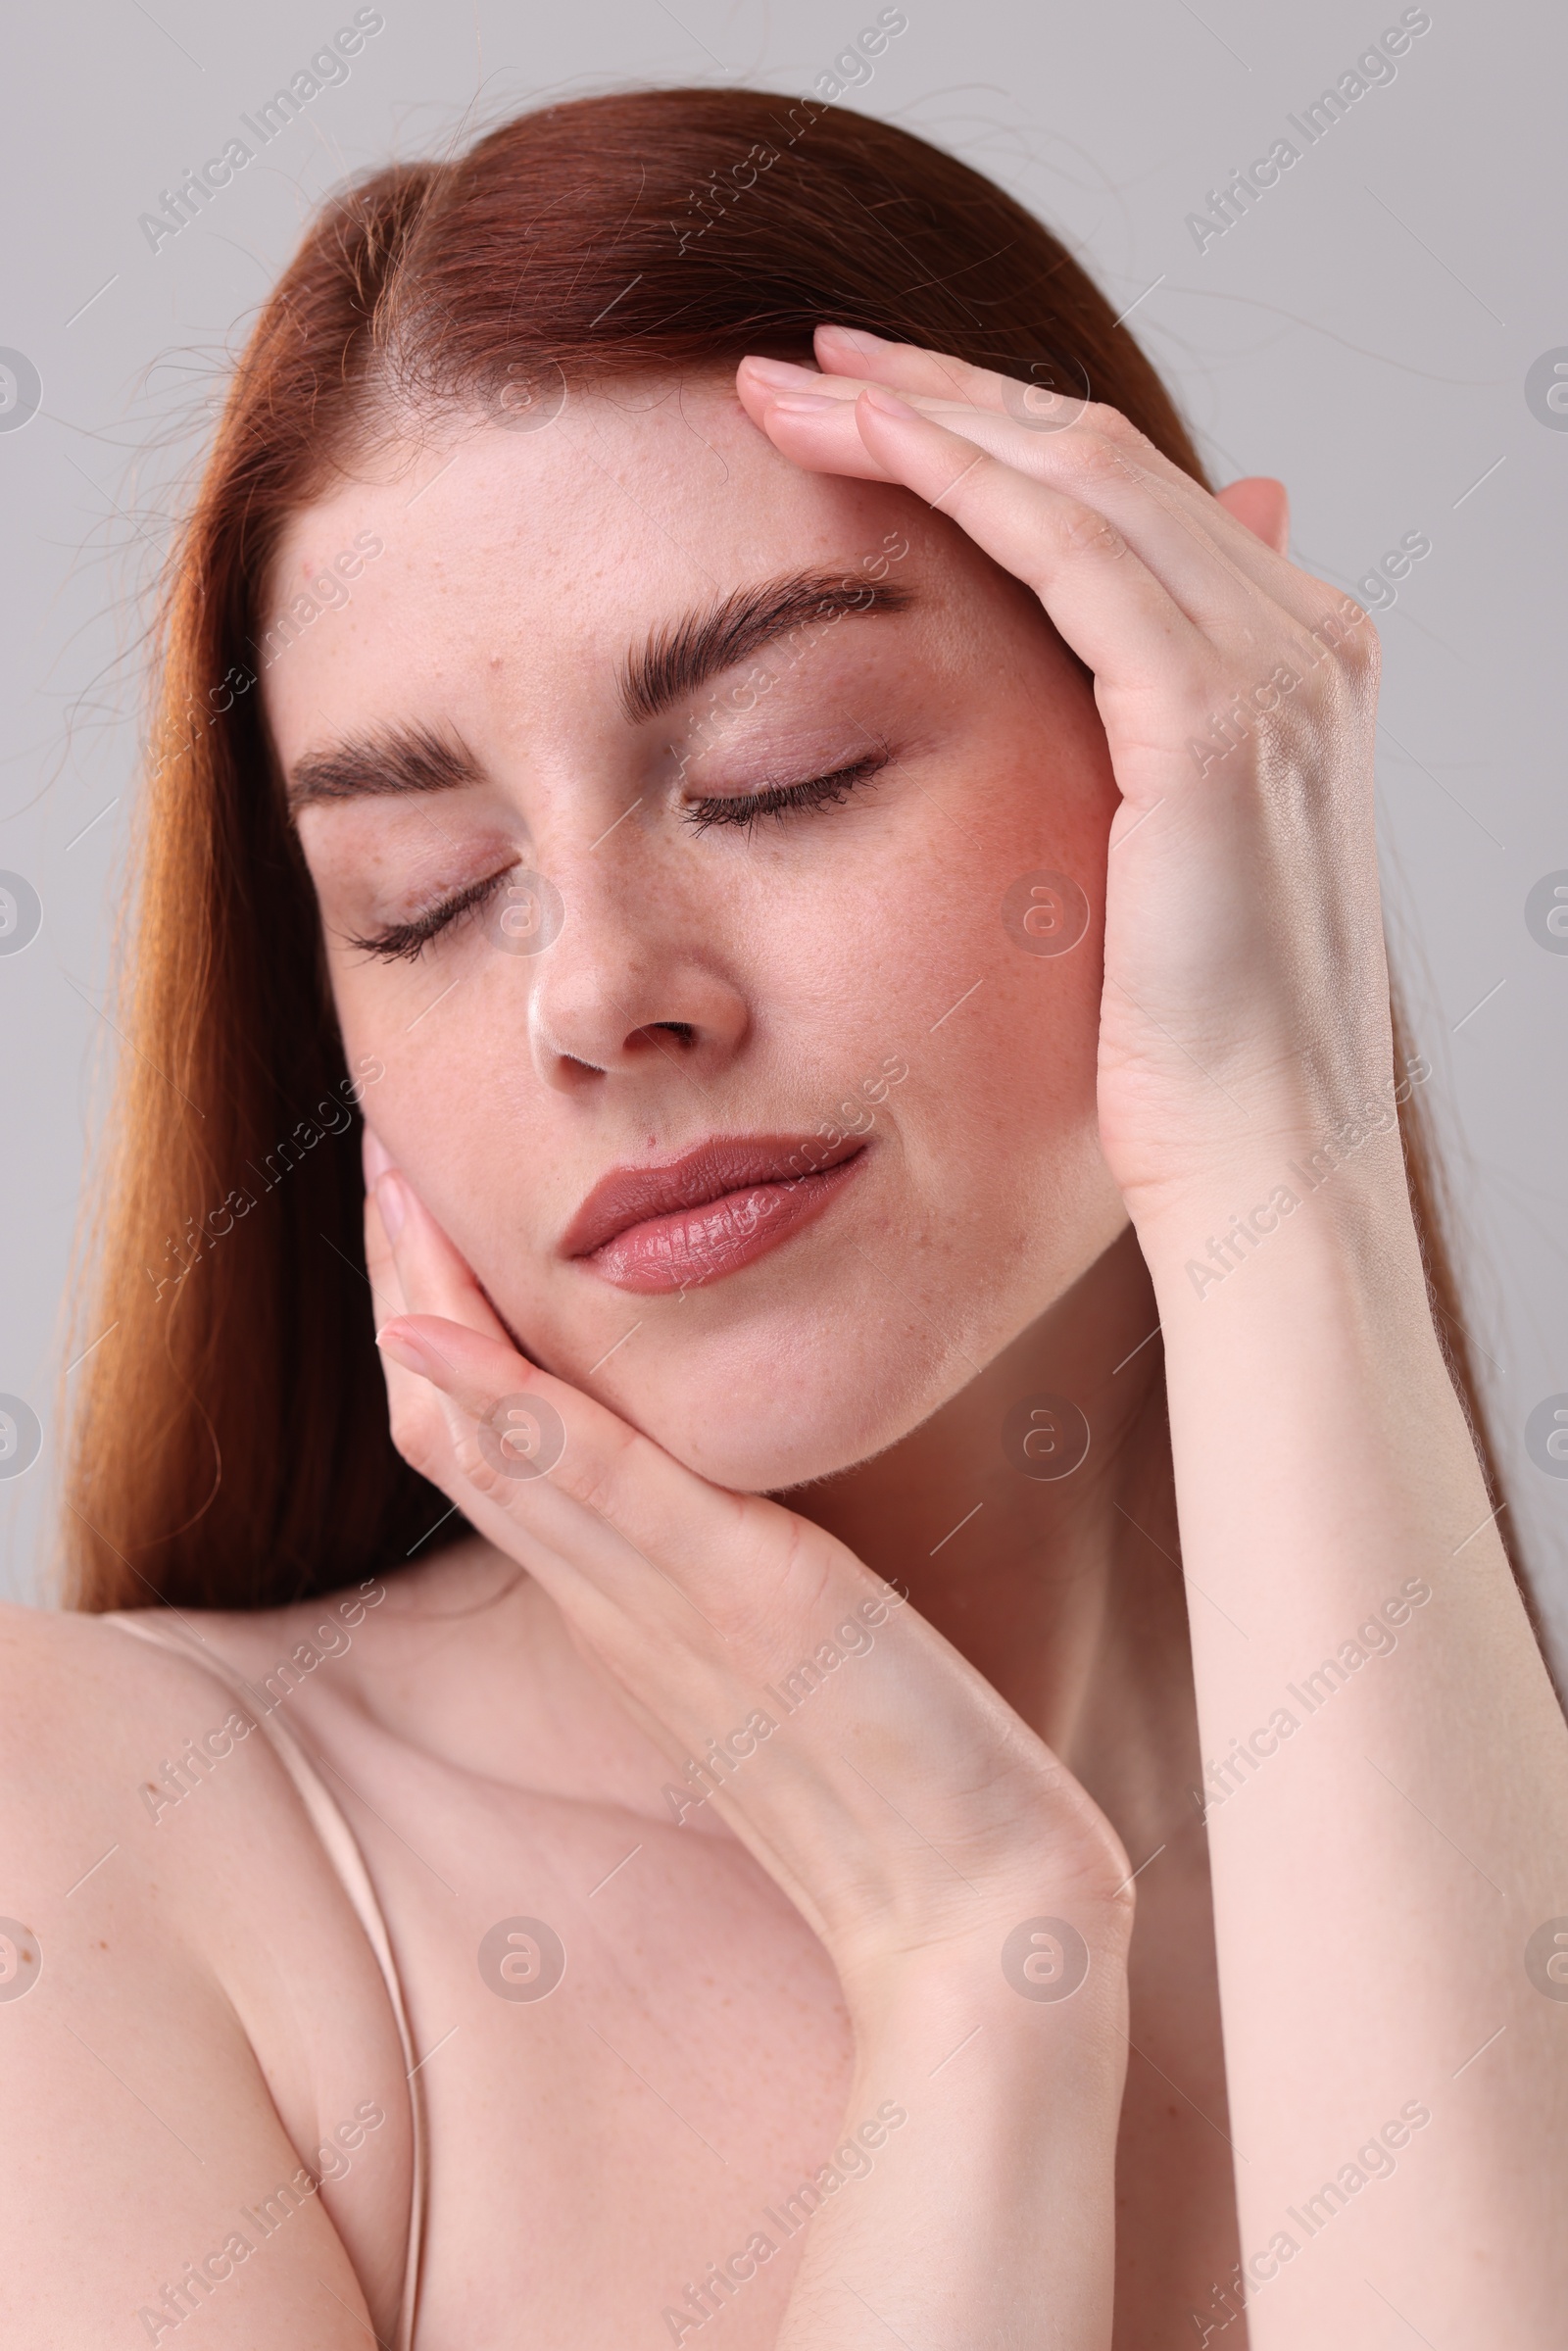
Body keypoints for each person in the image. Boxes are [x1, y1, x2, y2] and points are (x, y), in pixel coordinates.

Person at [5, 88, 1564, 2350]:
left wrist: (1270, 1147)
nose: (598, 993)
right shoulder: (107, 1856)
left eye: (782, 770)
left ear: (1186, 729)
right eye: (420, 902)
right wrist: (971, 1965)